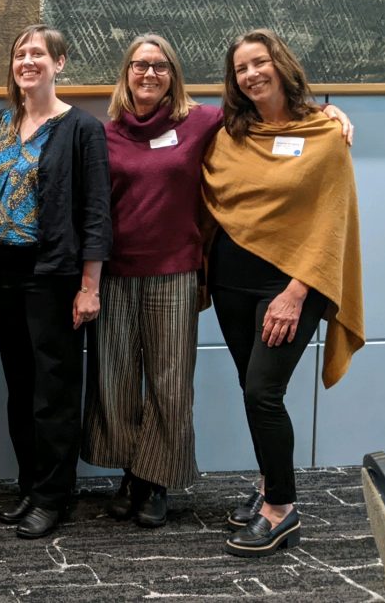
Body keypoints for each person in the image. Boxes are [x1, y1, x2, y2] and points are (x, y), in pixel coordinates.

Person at [81, 34, 355, 530]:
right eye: (139, 65)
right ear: (125, 74)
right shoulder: (114, 133)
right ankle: (135, 475)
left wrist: (331, 113)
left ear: (174, 76)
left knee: (183, 387)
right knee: (117, 382)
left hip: (195, 274)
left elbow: (291, 129)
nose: (149, 74)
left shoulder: (204, 122)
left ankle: (174, 484)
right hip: (151, 274)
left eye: (160, 66)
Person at [202, 29, 364, 557]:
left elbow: (330, 222)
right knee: (257, 392)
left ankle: (283, 509)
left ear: (280, 64)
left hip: (293, 285)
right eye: (241, 68)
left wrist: (295, 293)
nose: (251, 74)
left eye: (260, 62)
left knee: (262, 393)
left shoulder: (324, 132)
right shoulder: (231, 132)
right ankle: (271, 485)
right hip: (231, 281)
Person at [0, 24, 111, 539]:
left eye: (38, 53)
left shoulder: (82, 129)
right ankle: (31, 484)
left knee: (53, 389)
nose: (27, 61)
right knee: (19, 384)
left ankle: (55, 495)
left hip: (53, 273)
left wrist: (90, 285)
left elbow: (97, 214)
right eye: (20, 54)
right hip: (2, 270)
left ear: (59, 63)